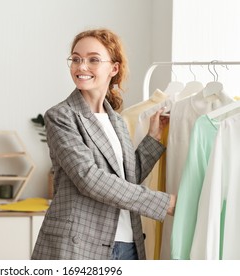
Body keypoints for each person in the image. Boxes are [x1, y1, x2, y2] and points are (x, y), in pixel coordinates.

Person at [31, 28, 176, 260]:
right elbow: (88, 178)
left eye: (93, 60)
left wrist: (153, 138)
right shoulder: (61, 116)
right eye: (76, 59)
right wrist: (163, 202)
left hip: (128, 243)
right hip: (78, 244)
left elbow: (127, 178)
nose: (81, 67)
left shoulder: (116, 121)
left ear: (114, 68)